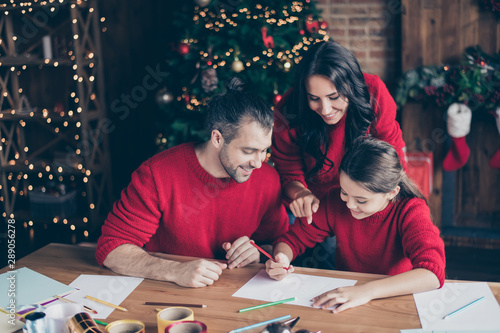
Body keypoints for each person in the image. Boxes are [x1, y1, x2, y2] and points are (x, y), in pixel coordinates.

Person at [96, 78, 289, 288]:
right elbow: (111, 249)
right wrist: (174, 270)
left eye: (264, 150)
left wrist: (259, 253)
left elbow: (279, 243)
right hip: (164, 293)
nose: (258, 163)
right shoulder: (157, 174)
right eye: (248, 151)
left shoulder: (268, 179)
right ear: (217, 138)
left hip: (233, 297)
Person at [266, 137, 445, 313]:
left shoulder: (410, 210)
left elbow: (432, 274)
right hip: (347, 296)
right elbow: (291, 240)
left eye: (361, 200)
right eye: (345, 192)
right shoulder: (335, 200)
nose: (350, 205)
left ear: (392, 192)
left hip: (395, 299)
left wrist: (367, 291)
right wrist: (282, 257)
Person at [272, 40, 407, 224]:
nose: (325, 109)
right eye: (314, 99)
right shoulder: (288, 110)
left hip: (368, 199)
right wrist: (301, 193)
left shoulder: (373, 92)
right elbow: (289, 171)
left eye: (334, 97)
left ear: (350, 85)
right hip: (318, 205)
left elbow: (392, 156)